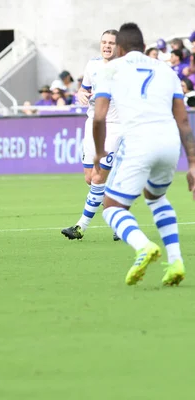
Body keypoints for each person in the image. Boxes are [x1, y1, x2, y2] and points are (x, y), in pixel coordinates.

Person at [93, 22, 194, 286]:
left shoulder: (111, 70)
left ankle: (143, 246)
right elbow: (183, 121)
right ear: (142, 44)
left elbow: (99, 117)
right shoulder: (166, 70)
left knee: (111, 205)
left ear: (120, 47)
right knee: (156, 197)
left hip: (138, 142)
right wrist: (192, 163)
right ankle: (175, 262)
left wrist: (98, 152)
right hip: (169, 142)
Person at [61, 29, 120, 241]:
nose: (107, 46)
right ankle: (121, 221)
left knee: (98, 178)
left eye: (111, 43)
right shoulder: (92, 65)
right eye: (104, 42)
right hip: (92, 125)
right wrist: (81, 94)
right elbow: (83, 89)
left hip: (113, 127)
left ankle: (80, 227)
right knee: (90, 178)